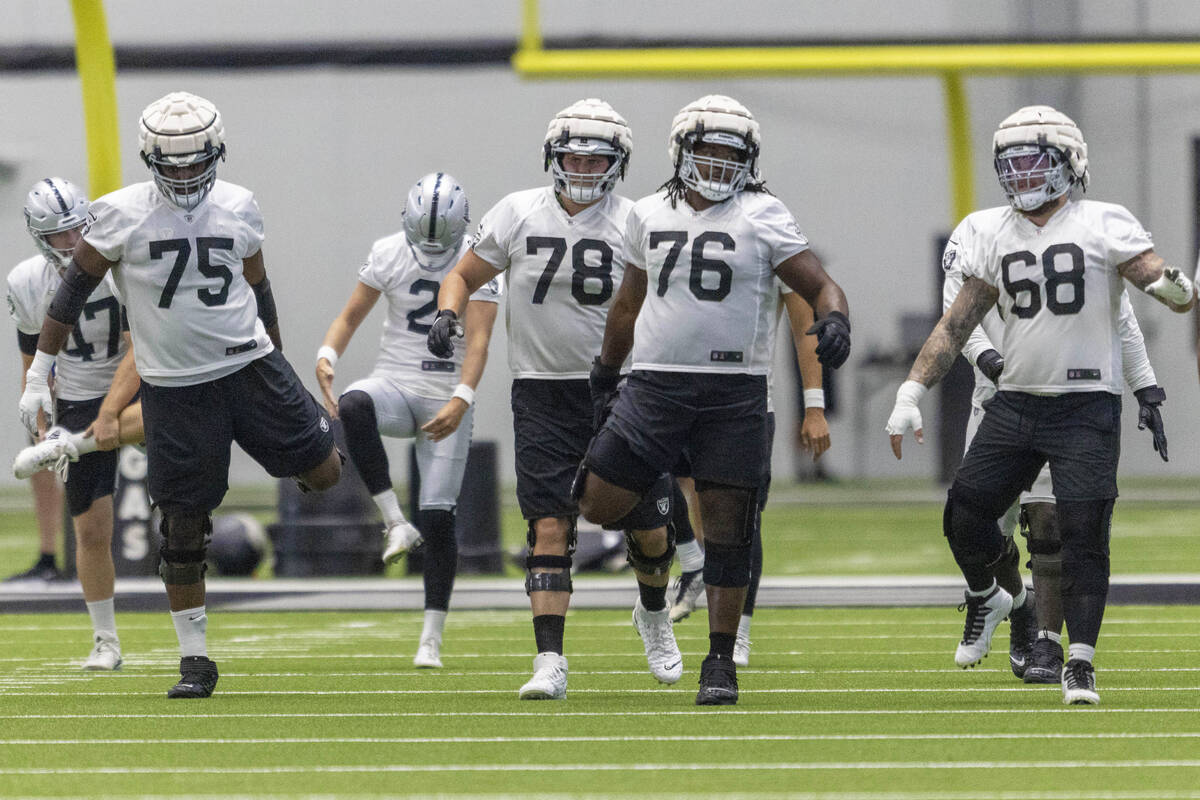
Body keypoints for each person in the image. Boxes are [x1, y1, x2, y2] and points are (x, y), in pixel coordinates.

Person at [18, 91, 342, 698]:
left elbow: (259, 283)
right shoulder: (117, 215)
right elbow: (69, 297)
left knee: (325, 473)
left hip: (249, 367)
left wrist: (278, 351)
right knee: (183, 528)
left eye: (197, 163)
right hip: (174, 387)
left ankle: (298, 457)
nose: (187, 175)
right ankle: (195, 662)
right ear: (151, 160)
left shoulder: (240, 204)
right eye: (174, 165)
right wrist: (39, 375)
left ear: (216, 154)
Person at [887, 105, 1193, 705]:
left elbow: (1150, 285)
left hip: (1085, 405)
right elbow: (955, 325)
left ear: (1070, 162)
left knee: (1079, 533)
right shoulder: (992, 230)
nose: (1023, 174)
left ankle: (1078, 660)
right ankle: (1000, 600)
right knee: (965, 514)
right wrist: (910, 392)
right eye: (1013, 163)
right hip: (1016, 399)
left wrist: (1176, 294)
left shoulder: (1102, 220)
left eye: (1036, 161)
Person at [575, 94, 851, 705]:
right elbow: (626, 303)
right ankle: (661, 563)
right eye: (710, 149)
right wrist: (605, 371)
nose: (721, 162)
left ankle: (720, 661)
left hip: (733, 392)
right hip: (653, 384)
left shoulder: (765, 214)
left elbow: (821, 285)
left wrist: (836, 321)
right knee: (598, 498)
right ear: (682, 151)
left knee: (730, 530)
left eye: (733, 152)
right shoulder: (647, 213)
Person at [429, 98, 680, 700]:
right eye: (575, 157)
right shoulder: (518, 211)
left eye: (598, 160)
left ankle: (652, 615)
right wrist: (446, 312)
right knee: (547, 526)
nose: (585, 169)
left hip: (620, 390)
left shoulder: (638, 219)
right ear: (553, 156)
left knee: (649, 530)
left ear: (618, 164)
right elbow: (463, 273)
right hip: (540, 391)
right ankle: (549, 661)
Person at [945, 244, 1165, 684]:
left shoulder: (1092, 236)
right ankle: (1018, 605)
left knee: (1049, 522)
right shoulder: (980, 235)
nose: (1028, 176)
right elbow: (957, 311)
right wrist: (989, 360)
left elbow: (1121, 319)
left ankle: (1048, 641)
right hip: (999, 401)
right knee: (982, 527)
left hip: (1067, 402)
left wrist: (1147, 387)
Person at [315, 172, 500, 668]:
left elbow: (479, 342)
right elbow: (351, 315)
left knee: (439, 517)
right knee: (353, 404)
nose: (432, 250)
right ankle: (395, 522)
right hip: (396, 383)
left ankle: (430, 638)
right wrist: (328, 352)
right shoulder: (389, 251)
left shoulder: (482, 260)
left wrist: (462, 397)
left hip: (447, 396)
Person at [6, 177, 137, 668]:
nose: (73, 243)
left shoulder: (118, 263)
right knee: (91, 531)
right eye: (60, 235)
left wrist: (107, 412)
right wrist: (41, 422)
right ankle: (106, 640)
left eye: (77, 230)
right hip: (79, 397)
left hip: (137, 378)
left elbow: (140, 346)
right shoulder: (26, 281)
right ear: (41, 238)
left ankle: (73, 444)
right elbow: (32, 361)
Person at [669, 287, 832, 671]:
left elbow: (803, 323)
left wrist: (814, 406)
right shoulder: (670, 225)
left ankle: (738, 628)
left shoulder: (773, 229)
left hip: (746, 400)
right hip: (676, 391)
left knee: (742, 516)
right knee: (651, 478)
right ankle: (693, 560)